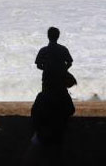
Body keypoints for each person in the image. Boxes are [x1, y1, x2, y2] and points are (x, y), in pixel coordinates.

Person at [26, 27, 75, 164]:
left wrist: (46, 68)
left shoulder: (44, 50)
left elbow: (37, 65)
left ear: (48, 36)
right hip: (60, 80)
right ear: (58, 36)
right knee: (63, 100)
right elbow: (70, 62)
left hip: (47, 80)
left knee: (45, 99)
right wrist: (63, 69)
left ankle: (44, 124)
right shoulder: (63, 49)